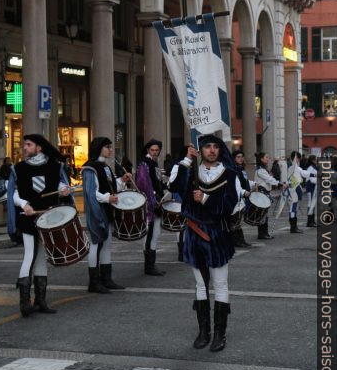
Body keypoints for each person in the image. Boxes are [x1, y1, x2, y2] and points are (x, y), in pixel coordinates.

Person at [170, 135, 240, 352]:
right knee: (200, 284)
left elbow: (230, 205)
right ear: (200, 150)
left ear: (219, 150)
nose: (211, 150)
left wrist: (206, 199)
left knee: (220, 284)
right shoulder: (190, 171)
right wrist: (187, 161)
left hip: (217, 234)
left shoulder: (230, 174)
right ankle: (204, 331)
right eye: (207, 147)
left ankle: (220, 333)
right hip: (194, 233)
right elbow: (175, 187)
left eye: (215, 147)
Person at [7, 134, 70, 318]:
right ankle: (24, 303)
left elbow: (59, 184)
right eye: (24, 144)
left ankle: (40, 300)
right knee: (29, 256)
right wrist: (24, 205)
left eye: (28, 144)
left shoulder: (54, 166)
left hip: (49, 218)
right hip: (28, 219)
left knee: (42, 257)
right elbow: (14, 194)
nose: (24, 147)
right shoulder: (18, 168)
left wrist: (64, 189)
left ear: (39, 148)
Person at [82, 137, 131, 293]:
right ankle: (94, 282)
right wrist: (107, 198)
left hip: (107, 210)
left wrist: (122, 181)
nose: (111, 149)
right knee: (96, 244)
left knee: (107, 245)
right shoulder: (90, 168)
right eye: (108, 147)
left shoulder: (106, 167)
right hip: (97, 210)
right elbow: (91, 192)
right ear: (99, 148)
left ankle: (106, 279)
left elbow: (110, 186)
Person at [136, 139, 166, 276]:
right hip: (150, 204)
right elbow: (143, 185)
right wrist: (153, 200)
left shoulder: (154, 164)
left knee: (156, 234)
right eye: (152, 150)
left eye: (157, 150)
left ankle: (151, 265)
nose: (155, 152)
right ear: (148, 150)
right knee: (150, 235)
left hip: (157, 202)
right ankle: (149, 267)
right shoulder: (144, 164)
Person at [254, 152, 287, 239]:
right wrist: (280, 184)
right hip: (262, 193)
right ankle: (262, 234)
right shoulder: (260, 170)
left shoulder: (263, 169)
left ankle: (264, 233)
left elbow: (270, 179)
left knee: (264, 213)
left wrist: (279, 183)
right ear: (261, 159)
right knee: (262, 213)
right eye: (266, 157)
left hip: (265, 193)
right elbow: (269, 179)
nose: (268, 159)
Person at [231, 149, 255, 248]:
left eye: (242, 156)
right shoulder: (233, 169)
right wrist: (244, 192)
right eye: (238, 157)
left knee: (238, 221)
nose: (241, 159)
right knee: (236, 220)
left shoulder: (241, 168)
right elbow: (235, 185)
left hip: (242, 198)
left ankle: (240, 240)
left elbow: (244, 181)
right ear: (234, 158)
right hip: (235, 198)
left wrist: (253, 183)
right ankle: (236, 241)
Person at [288, 151, 316, 234]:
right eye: (298, 159)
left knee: (294, 208)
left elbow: (304, 173)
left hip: (296, 188)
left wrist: (314, 175)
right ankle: (293, 228)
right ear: (296, 158)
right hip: (293, 189)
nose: (299, 160)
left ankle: (294, 227)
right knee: (293, 207)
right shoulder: (292, 166)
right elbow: (304, 174)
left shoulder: (295, 166)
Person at [305, 155, 317, 227]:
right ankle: (310, 221)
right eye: (316, 159)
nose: (317, 160)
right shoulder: (310, 168)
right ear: (312, 160)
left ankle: (312, 221)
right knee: (310, 204)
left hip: (313, 187)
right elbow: (312, 179)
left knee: (313, 204)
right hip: (310, 187)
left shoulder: (313, 167)